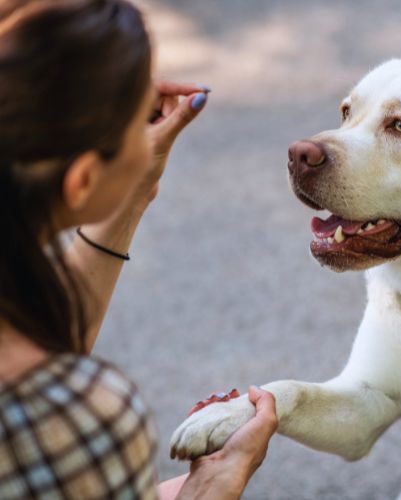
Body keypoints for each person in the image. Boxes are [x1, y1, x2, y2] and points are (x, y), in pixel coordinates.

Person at [0, 0, 277, 498]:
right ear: (82, 178)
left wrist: (132, 194)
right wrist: (209, 489)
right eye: (133, 118)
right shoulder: (74, 420)